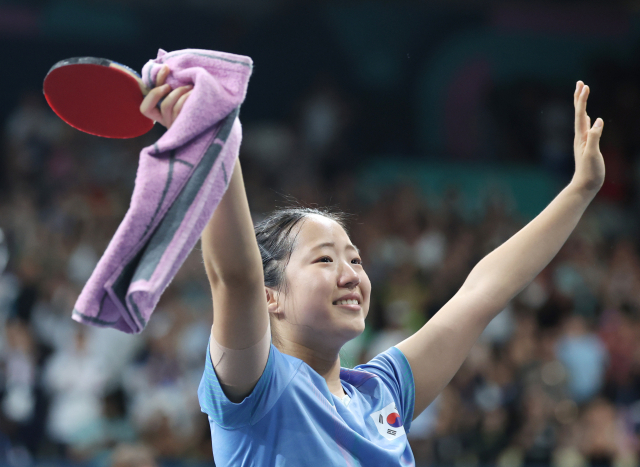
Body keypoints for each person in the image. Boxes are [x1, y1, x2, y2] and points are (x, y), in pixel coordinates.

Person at [140, 69, 605, 466]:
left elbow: (482, 294)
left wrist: (579, 191)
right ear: (270, 295)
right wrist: (210, 137)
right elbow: (235, 276)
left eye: (355, 259)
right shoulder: (258, 390)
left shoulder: (382, 393)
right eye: (324, 258)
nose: (351, 274)